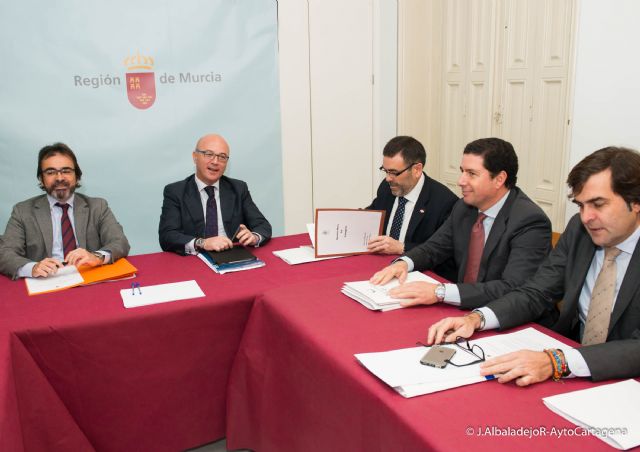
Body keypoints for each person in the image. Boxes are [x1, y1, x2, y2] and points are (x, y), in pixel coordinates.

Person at [427, 146, 640, 385]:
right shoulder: (579, 230)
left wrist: (558, 361)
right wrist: (476, 319)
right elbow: (537, 291)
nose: (586, 217)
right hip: (573, 367)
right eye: (581, 205)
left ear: (635, 202)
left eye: (598, 204)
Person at [370, 137, 551, 310]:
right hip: (463, 307)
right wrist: (403, 263)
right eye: (462, 171)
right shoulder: (464, 208)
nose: (460, 181)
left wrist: (440, 292)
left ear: (499, 179)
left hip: (508, 316)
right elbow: (433, 248)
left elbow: (512, 287)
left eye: (471, 174)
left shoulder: (530, 221)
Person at [0, 143, 130, 279]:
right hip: (46, 282)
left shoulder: (98, 206)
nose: (59, 178)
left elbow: (120, 242)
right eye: (50, 172)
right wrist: (32, 268)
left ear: (77, 176)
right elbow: (4, 252)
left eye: (66, 171)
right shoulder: (22, 211)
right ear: (41, 179)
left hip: (88, 277)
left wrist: (96, 257)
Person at [159, 133, 272, 255]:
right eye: (209, 154)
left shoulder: (239, 188)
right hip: (194, 258)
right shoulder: (176, 192)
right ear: (195, 157)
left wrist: (254, 237)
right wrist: (202, 243)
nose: (215, 161)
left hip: (232, 255)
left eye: (222, 157)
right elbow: (167, 236)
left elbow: (262, 225)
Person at [365, 136, 458, 255]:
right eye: (385, 171)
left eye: (394, 172)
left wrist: (402, 248)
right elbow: (373, 214)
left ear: (416, 170)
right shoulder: (387, 187)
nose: (388, 178)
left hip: (415, 264)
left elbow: (443, 249)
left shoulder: (444, 202)